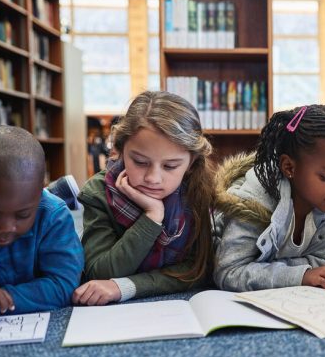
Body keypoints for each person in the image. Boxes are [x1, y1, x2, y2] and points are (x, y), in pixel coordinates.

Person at [72, 91, 217, 305]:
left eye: (170, 166)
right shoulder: (98, 192)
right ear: (120, 150)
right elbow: (100, 273)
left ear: (191, 162)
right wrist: (152, 217)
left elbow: (196, 270)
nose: (153, 178)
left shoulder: (200, 191)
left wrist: (125, 286)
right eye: (140, 162)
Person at [214, 103, 325, 291]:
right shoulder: (253, 202)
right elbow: (228, 271)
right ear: (289, 167)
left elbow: (324, 264)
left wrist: (304, 274)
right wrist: (301, 275)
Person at [0, 125, 83, 314]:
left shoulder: (53, 215)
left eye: (22, 215)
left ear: (40, 193)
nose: (6, 228)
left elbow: (64, 285)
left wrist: (1, 299)